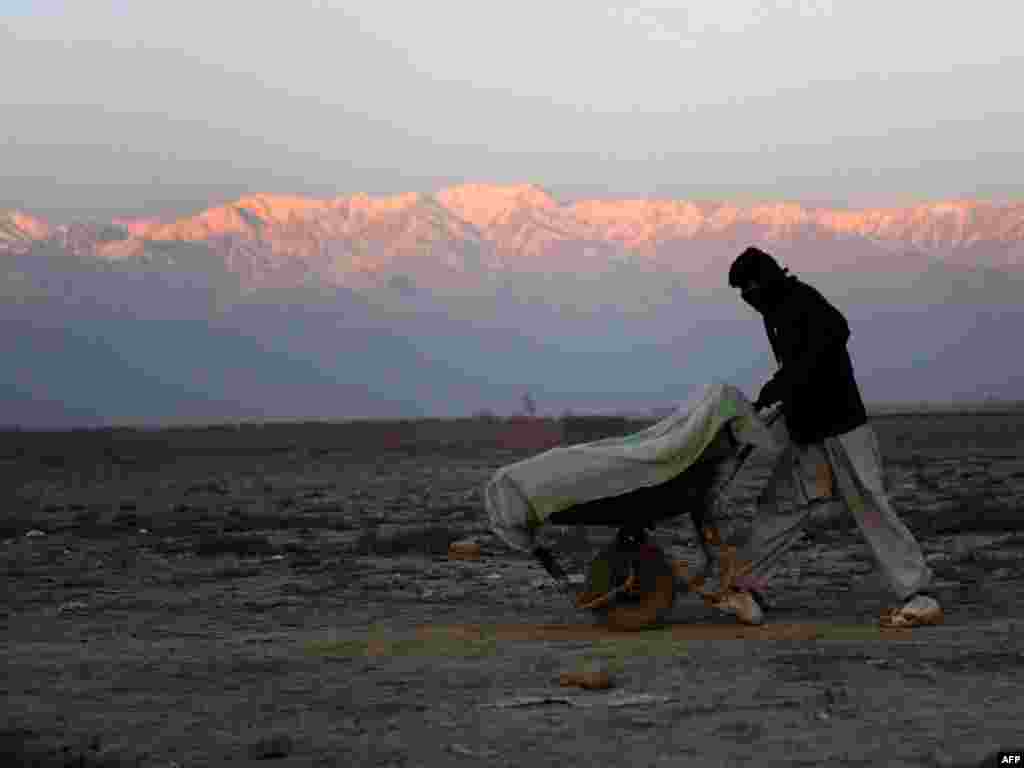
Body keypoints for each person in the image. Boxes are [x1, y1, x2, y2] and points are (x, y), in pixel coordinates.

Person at [715, 246, 943, 628]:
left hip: (842, 427)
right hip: (810, 432)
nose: (746, 299)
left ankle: (918, 594)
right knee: (781, 505)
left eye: (748, 289)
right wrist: (780, 389)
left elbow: (835, 333)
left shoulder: (800, 299)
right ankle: (744, 587)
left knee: (869, 505)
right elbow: (798, 367)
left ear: (764, 280)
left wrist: (786, 383)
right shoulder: (775, 311)